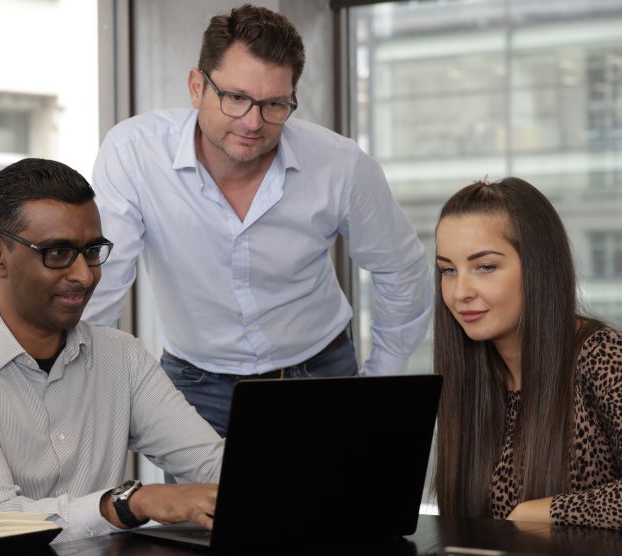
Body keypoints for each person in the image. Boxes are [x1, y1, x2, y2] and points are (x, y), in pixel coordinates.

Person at [84, 4, 432, 437]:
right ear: (197, 87)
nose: (253, 122)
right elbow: (101, 282)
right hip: (195, 384)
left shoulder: (339, 165)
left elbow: (400, 268)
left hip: (321, 373)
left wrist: (381, 384)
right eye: (236, 98)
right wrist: (85, 390)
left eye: (274, 104)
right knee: (205, 488)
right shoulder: (133, 153)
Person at [0, 158, 224, 543]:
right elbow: (0, 523)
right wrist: (127, 503)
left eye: (91, 251)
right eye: (57, 253)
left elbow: (211, 466)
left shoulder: (122, 356)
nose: (84, 275)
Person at [433, 177, 622, 529]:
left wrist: (546, 511)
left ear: (539, 266)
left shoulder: (603, 355)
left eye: (485, 267)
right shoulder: (472, 374)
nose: (460, 292)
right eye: (448, 270)